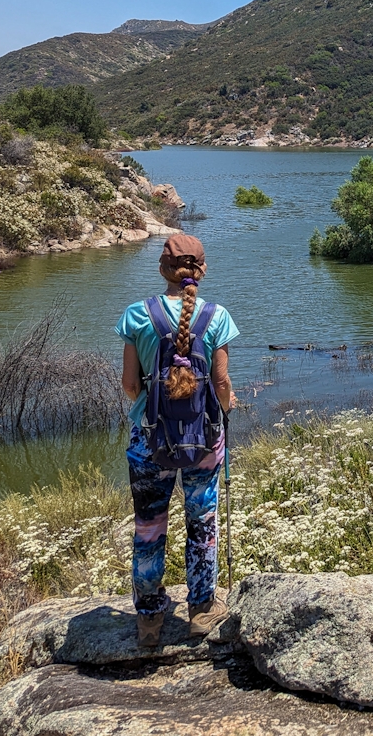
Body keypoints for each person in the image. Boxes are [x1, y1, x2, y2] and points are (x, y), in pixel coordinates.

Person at [117, 233, 239, 646]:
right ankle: (201, 610)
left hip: (148, 440)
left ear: (161, 269)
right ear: (201, 271)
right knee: (201, 521)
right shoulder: (217, 315)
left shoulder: (137, 315)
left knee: (149, 527)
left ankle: (149, 620)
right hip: (203, 440)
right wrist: (227, 405)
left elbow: (130, 386)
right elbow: (220, 382)